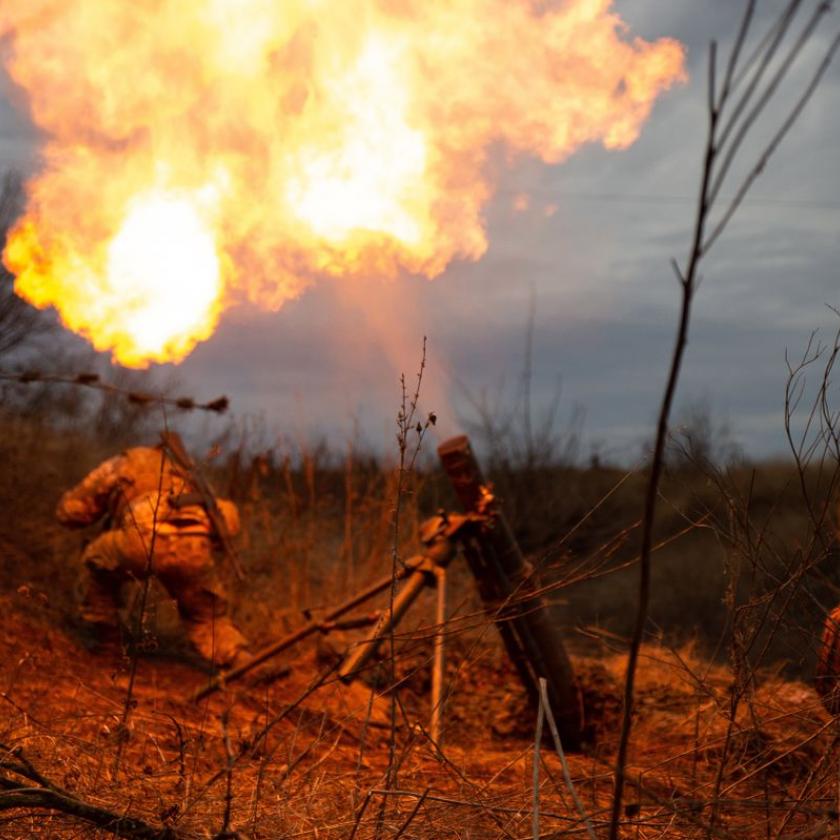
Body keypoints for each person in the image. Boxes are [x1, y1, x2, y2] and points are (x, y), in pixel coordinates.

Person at [56, 437, 249, 669]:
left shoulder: (123, 463)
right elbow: (222, 525)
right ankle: (241, 660)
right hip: (193, 545)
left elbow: (71, 513)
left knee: (95, 562)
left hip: (141, 540)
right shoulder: (185, 473)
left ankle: (108, 646)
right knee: (206, 615)